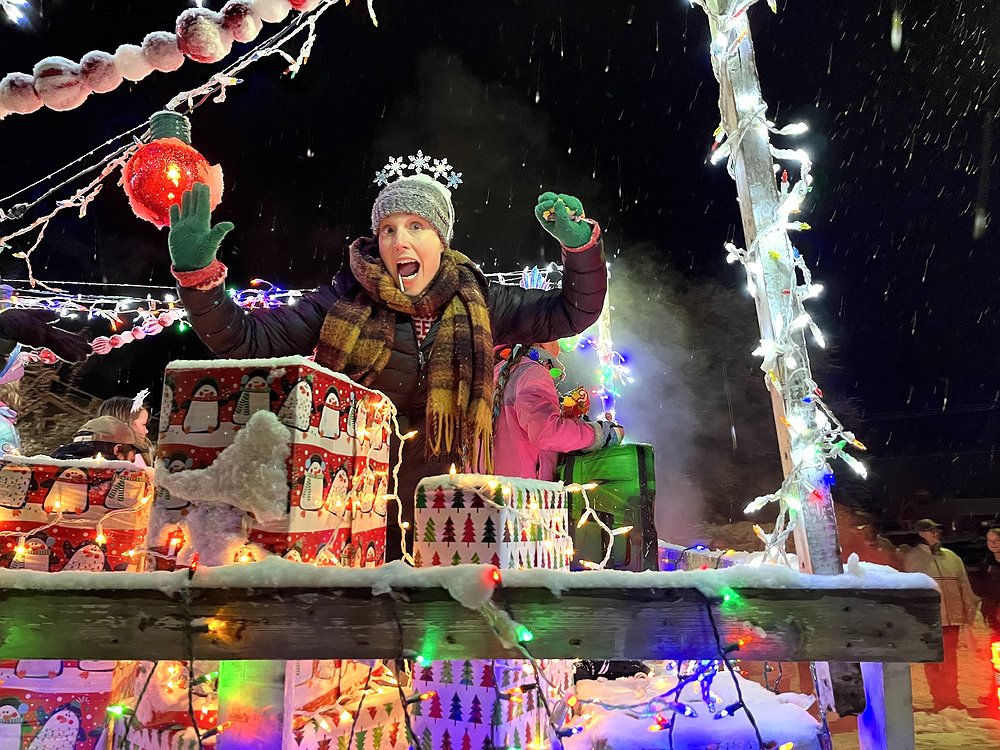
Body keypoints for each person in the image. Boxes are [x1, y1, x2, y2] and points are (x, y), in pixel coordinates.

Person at [167, 173, 607, 556]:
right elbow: (247, 340)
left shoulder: (482, 301)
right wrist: (198, 278)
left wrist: (580, 251)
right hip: (347, 495)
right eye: (388, 229)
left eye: (416, 226)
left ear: (441, 240)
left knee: (429, 615)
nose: (399, 240)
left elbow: (572, 312)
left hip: (443, 500)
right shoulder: (344, 298)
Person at [493, 340, 622, 480]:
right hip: (521, 489)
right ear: (545, 341)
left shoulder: (497, 372)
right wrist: (599, 434)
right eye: (557, 340)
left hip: (490, 486)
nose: (559, 348)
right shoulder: (532, 372)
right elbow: (546, 433)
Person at [902, 518, 980, 711]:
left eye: (936, 530)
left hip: (952, 618)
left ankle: (952, 697)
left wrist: (968, 608)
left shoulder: (952, 557)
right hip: (930, 619)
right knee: (933, 661)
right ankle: (939, 698)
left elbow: (964, 585)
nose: (936, 533)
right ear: (920, 534)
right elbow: (910, 592)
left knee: (950, 660)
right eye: (931, 531)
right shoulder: (913, 558)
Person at [50, 416, 142, 462]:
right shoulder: (110, 482)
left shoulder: (47, 466)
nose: (132, 467)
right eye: (130, 461)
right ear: (118, 449)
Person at [97, 392, 153, 465]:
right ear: (126, 424)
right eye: (143, 424)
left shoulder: (141, 453)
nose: (146, 431)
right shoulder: (129, 454)